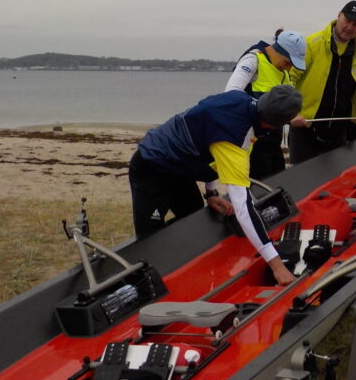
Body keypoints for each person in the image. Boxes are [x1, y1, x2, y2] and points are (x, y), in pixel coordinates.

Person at [127, 84, 303, 285]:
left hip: (181, 169)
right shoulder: (234, 141)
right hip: (152, 165)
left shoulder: (241, 99)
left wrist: (210, 192)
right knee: (150, 240)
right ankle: (145, 289)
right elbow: (244, 209)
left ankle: (187, 278)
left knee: (193, 218)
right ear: (273, 126)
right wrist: (277, 266)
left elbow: (209, 143)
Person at [288, 0, 356, 165]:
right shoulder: (311, 44)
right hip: (305, 128)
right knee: (301, 184)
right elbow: (289, 79)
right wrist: (291, 112)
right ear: (338, 16)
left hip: (339, 130)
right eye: (347, 20)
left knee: (334, 184)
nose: (350, 27)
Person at [225, 30, 307, 179]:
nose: (289, 68)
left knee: (279, 184)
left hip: (273, 142)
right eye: (288, 62)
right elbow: (231, 94)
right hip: (251, 142)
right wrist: (285, 117)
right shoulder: (253, 60)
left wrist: (293, 114)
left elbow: (283, 103)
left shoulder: (283, 70)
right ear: (277, 50)